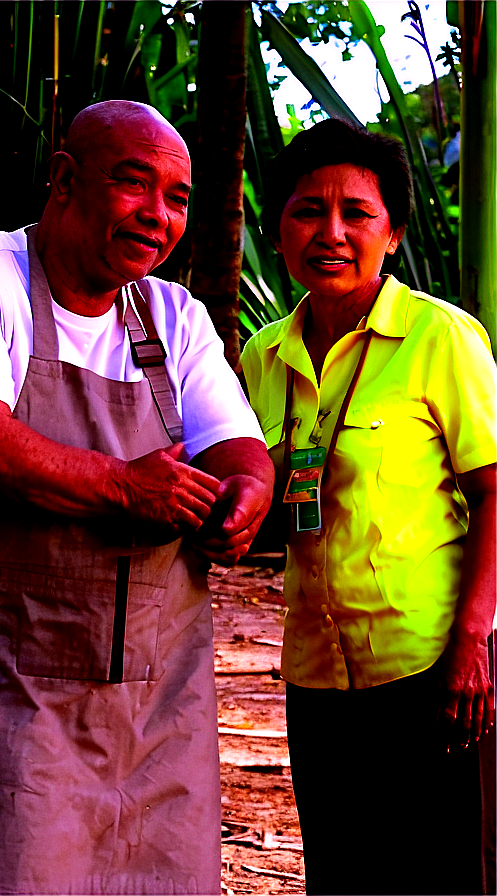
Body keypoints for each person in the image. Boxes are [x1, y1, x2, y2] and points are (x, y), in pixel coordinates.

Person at [0, 100, 274, 894]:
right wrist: (130, 486)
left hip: (156, 706)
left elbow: (238, 449)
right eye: (134, 185)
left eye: (177, 197)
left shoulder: (173, 315)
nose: (156, 215)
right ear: (63, 180)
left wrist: (244, 501)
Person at [241, 118, 496, 896]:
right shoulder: (263, 356)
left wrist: (475, 641)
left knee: (444, 872)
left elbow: (494, 490)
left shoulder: (439, 337)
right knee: (346, 873)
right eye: (307, 210)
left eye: (358, 213)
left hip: (434, 668)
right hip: (317, 676)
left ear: (393, 236)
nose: (332, 232)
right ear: (277, 230)